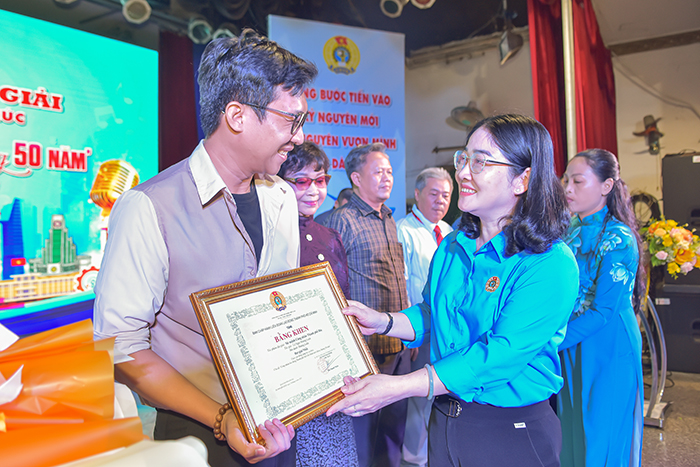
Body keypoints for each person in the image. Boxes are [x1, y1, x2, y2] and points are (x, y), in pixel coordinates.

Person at [93, 30, 317, 467]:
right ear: (237, 115)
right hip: (192, 433)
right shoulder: (149, 207)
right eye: (291, 120)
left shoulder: (281, 198)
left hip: (277, 425)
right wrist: (220, 417)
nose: (299, 136)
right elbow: (121, 348)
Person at [327, 114, 579, 466]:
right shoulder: (453, 245)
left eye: (481, 162)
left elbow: (499, 354)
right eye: (464, 158)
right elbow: (433, 313)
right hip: (446, 417)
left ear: (522, 179)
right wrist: (383, 321)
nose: (462, 173)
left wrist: (398, 387)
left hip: (509, 429)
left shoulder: (549, 262)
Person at [325, 143, 409, 467]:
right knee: (362, 438)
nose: (387, 178)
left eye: (389, 171)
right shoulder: (341, 221)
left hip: (397, 344)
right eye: (378, 172)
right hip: (365, 350)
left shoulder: (389, 218)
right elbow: (332, 287)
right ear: (356, 179)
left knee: (392, 434)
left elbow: (397, 277)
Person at [559, 149, 644, 466]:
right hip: (570, 340)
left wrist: (550, 341)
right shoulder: (569, 230)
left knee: (601, 435)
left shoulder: (618, 238)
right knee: (570, 429)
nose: (568, 188)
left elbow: (603, 311)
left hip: (607, 343)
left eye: (578, 181)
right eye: (566, 180)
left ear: (607, 186)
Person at [277, 141, 359, 467]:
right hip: (287, 374)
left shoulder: (330, 236)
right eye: (301, 181)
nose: (314, 190)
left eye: (321, 180)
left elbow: (343, 300)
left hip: (330, 369)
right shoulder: (268, 235)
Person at [395, 167, 453, 467]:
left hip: (446, 330)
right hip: (419, 329)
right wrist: (409, 337)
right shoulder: (403, 231)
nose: (440, 200)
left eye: (446, 195)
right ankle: (414, 459)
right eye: (434, 194)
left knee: (442, 394)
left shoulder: (451, 232)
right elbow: (402, 283)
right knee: (419, 398)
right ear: (417, 194)